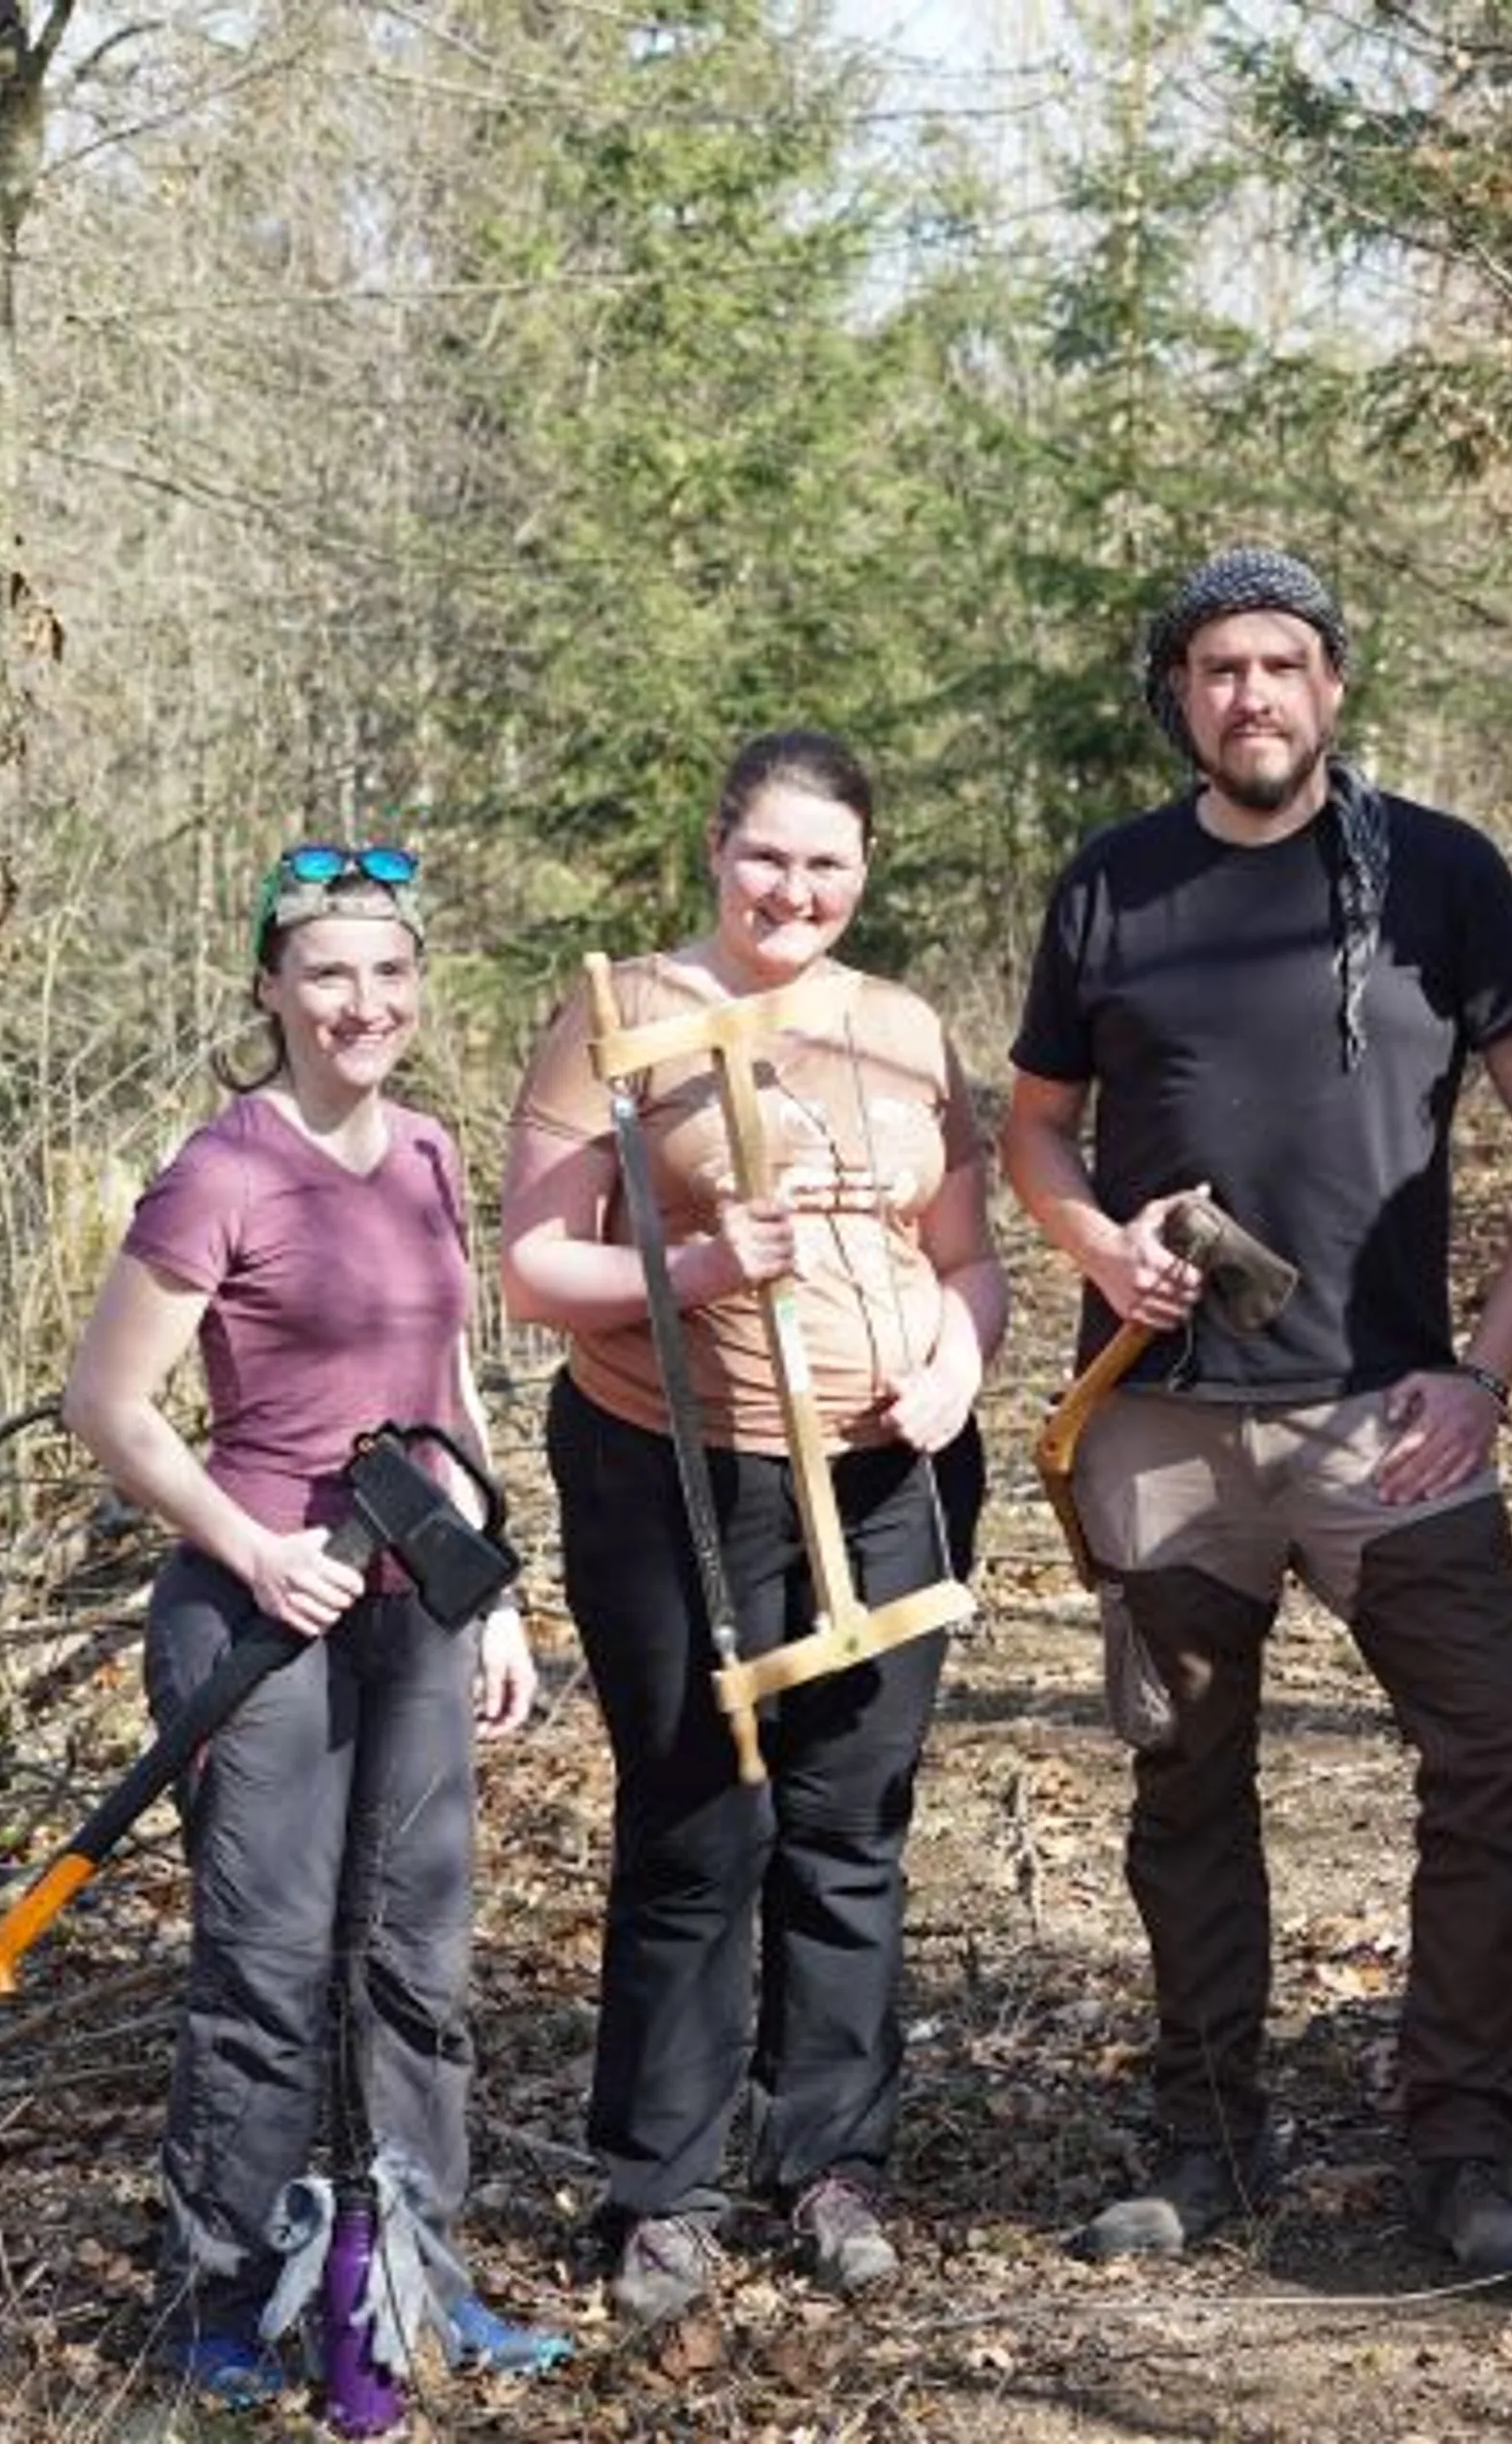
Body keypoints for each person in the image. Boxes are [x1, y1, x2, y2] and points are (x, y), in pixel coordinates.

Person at [1003, 544, 1512, 2279]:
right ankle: (1206, 2134)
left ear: (1333, 683)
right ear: (1179, 699)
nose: (1251, 695)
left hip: (1385, 1420)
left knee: (1498, 1749)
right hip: (1159, 1423)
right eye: (1218, 670)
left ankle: (1461, 2146)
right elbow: (1034, 1128)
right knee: (1186, 1778)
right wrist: (1099, 1244)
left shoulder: (1439, 873)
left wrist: (1485, 1374)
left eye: (1281, 663)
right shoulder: (1113, 884)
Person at [501, 730, 1005, 2325]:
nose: (796, 888)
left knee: (852, 1823)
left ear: (866, 869)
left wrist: (956, 1362)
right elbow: (534, 1265)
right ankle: (662, 2187)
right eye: (768, 855)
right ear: (717, 848)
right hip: (676, 1472)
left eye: (827, 862)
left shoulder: (904, 1028)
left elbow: (969, 1256)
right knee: (698, 1819)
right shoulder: (625, 1016)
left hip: (891, 1476)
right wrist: (707, 1267)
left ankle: (831, 2163)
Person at [63, 841, 563, 2406]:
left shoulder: (426, 1150)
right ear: (271, 988)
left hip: (419, 1611)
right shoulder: (222, 1170)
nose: (363, 1001)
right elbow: (109, 1403)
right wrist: (255, 1550)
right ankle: (225, 2298)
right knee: (269, 1970)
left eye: (390, 971)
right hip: (256, 1625)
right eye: (329, 972)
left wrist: (493, 1596)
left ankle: (414, 2279)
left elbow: (450, 1393)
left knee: (418, 1962)